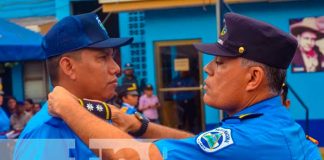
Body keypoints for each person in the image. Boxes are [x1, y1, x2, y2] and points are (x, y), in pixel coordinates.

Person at [47, 13, 321, 159]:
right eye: (102, 57)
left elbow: (132, 158)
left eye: (220, 63)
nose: (207, 68)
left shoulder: (250, 137)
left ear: (253, 78)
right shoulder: (273, 125)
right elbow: (197, 148)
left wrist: (68, 106)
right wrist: (142, 127)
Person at [14, 13, 133, 160]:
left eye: (112, 57)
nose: (116, 68)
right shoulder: (47, 133)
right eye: (102, 58)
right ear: (69, 67)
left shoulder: (102, 115)